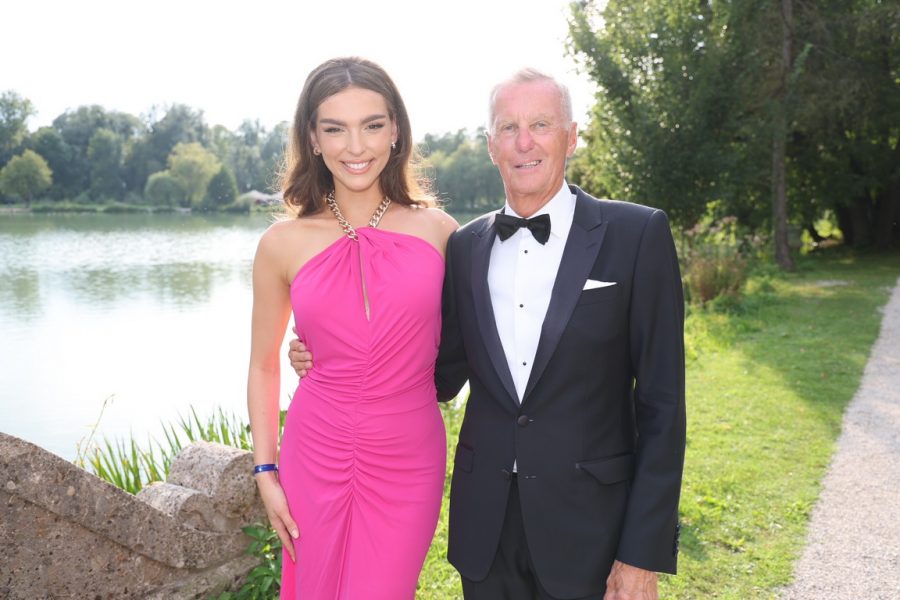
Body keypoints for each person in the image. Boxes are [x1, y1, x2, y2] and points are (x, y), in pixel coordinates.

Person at [291, 68, 685, 600]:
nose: (525, 142)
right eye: (508, 128)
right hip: (486, 531)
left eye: (541, 124)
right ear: (490, 145)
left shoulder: (637, 234)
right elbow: (436, 370)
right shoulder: (465, 247)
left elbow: (662, 406)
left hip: (591, 529)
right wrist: (333, 353)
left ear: (571, 136)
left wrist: (641, 552)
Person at [248, 56, 457, 600]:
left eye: (372, 124)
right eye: (335, 128)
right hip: (314, 446)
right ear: (313, 139)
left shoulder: (441, 233)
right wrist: (265, 469)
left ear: (396, 131)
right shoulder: (281, 245)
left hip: (408, 451)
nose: (355, 146)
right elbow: (264, 362)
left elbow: (474, 343)